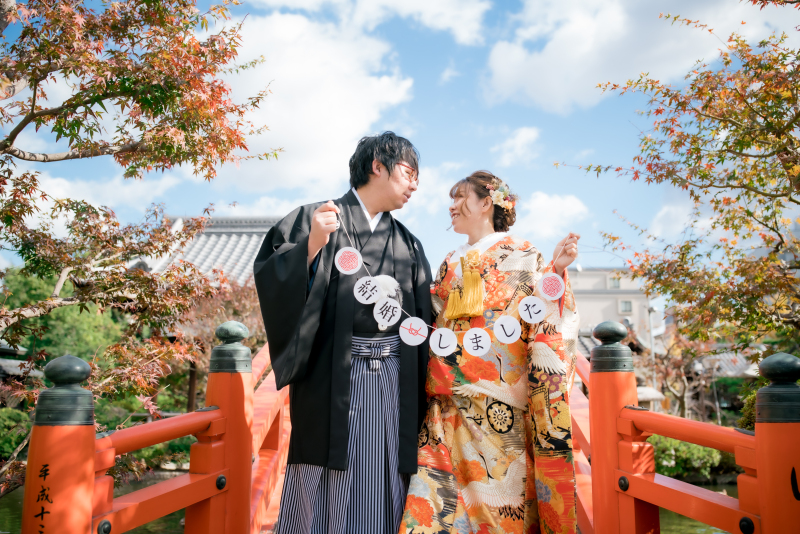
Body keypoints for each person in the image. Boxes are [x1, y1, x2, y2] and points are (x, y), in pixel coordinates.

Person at [253, 132, 432, 534]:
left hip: (394, 377)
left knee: (387, 465)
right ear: (378, 166)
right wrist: (312, 246)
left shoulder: (408, 243)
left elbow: (426, 318)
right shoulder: (316, 219)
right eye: (409, 173)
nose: (415, 185)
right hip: (333, 374)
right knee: (329, 464)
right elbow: (273, 276)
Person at [399, 171, 580, 534]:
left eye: (460, 197)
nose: (452, 206)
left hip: (498, 410)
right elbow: (433, 320)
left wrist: (556, 271)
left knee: (497, 515)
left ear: (486, 203)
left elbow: (541, 314)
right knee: (428, 512)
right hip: (446, 407)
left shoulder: (524, 255)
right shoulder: (449, 262)